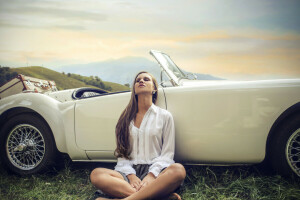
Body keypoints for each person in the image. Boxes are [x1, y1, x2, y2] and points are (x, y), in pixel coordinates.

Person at [90, 71, 186, 200]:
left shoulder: (165, 116)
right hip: (128, 172)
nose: (141, 81)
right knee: (97, 174)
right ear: (134, 90)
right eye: (138, 80)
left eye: (146, 79)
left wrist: (152, 175)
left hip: (156, 171)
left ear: (154, 89)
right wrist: (131, 176)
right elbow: (122, 154)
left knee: (178, 170)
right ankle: (155, 196)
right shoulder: (124, 119)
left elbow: (167, 154)